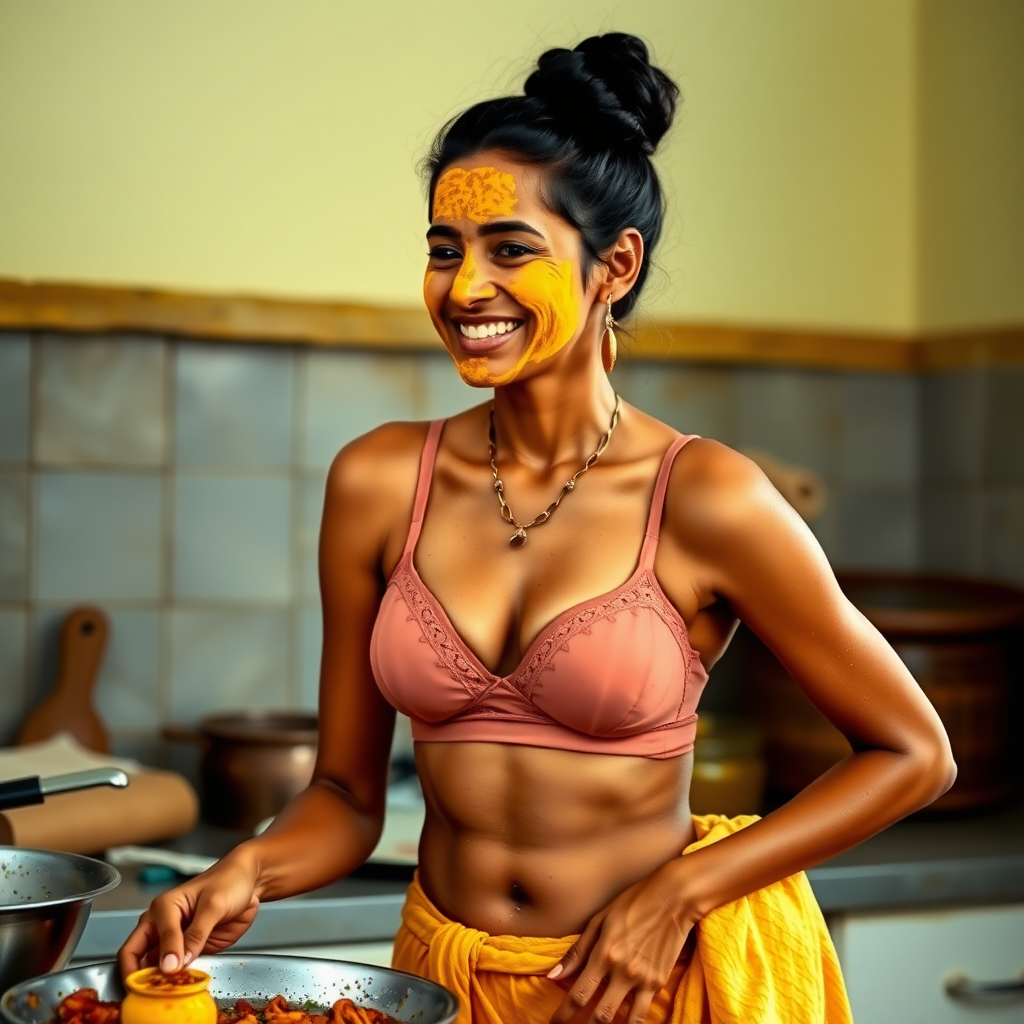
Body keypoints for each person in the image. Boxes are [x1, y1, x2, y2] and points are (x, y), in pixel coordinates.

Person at [120, 33, 955, 1024]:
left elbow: (913, 752)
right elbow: (346, 796)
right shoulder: (380, 481)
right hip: (443, 981)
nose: (465, 288)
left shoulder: (705, 496)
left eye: (510, 249)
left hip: (635, 989)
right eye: (444, 249)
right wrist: (243, 870)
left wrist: (679, 890)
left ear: (614, 266)